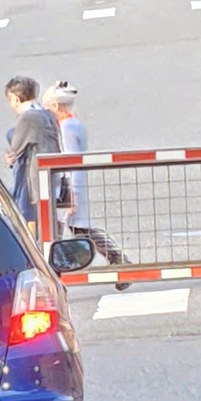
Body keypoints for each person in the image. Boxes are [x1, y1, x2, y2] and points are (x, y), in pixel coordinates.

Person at [43, 84, 131, 284]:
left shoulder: (65, 128)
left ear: (55, 106)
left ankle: (118, 261)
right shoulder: (73, 124)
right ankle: (118, 261)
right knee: (78, 230)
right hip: (72, 186)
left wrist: (71, 194)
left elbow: (70, 161)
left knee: (64, 231)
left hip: (68, 187)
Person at [4, 76, 60, 229]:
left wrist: (10, 156)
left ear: (15, 98)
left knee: (33, 222)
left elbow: (16, 150)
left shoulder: (27, 118)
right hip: (51, 175)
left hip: (34, 178)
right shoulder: (46, 114)